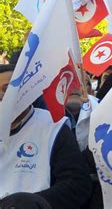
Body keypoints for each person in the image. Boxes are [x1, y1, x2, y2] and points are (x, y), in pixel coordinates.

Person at [0, 64, 92, 209]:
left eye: (8, 89)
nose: (2, 95)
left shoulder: (54, 126)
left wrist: (29, 203)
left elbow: (77, 184)